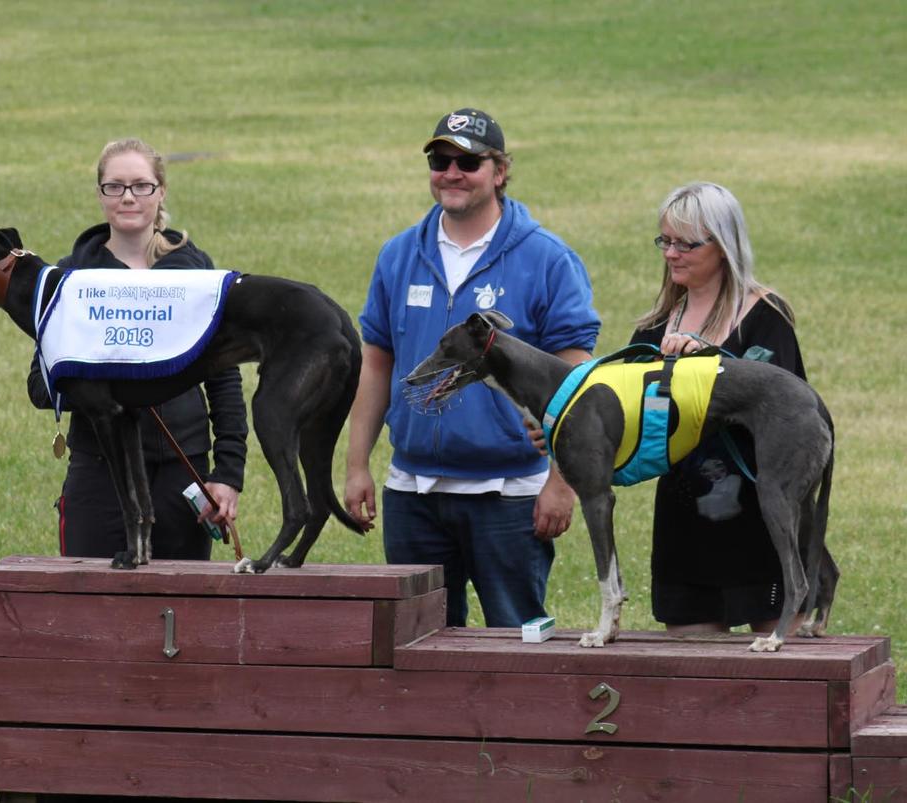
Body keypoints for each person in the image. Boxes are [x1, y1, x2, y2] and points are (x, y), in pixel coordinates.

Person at [344, 108, 600, 628]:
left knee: (518, 641)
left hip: (508, 497)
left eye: (468, 161)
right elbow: (376, 363)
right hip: (412, 492)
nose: (452, 173)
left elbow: (576, 376)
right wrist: (356, 466)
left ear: (499, 171)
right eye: (441, 160)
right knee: (415, 648)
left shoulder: (548, 259)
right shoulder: (398, 255)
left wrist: (561, 482)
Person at [27, 138, 247, 560]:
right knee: (93, 606)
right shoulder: (70, 280)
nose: (128, 196)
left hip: (181, 466)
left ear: (161, 191)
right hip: (99, 469)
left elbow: (224, 377)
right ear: (100, 194)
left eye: (141, 185)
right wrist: (107, 381)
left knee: (180, 609)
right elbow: (41, 386)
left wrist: (228, 473)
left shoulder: (196, 274)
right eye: (115, 186)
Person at [629, 180, 806, 634]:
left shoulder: (766, 318)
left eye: (686, 243)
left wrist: (707, 363)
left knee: (785, 684)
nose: (671, 253)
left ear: (724, 247)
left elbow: (786, 415)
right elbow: (630, 416)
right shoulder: (652, 330)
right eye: (665, 241)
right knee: (693, 681)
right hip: (686, 524)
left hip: (760, 521)